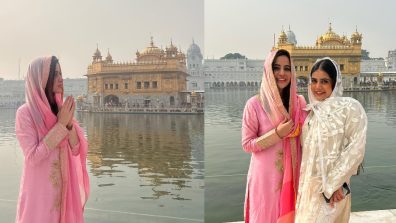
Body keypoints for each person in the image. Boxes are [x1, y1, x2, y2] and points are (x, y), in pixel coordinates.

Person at [15, 56, 89, 223]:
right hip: (39, 198)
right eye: (55, 74)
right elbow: (33, 157)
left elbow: (77, 149)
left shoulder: (60, 110)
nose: (61, 79)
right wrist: (61, 125)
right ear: (41, 78)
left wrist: (68, 125)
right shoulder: (26, 114)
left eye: (61, 74)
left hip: (65, 194)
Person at [295, 57, 367, 223]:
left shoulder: (349, 108)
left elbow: (355, 149)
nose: (317, 87)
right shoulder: (311, 114)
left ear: (334, 83)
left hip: (334, 192)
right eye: (314, 81)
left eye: (324, 81)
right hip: (310, 189)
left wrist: (334, 185)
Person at [241, 49, 307, 223]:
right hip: (265, 179)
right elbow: (247, 144)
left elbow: (309, 140)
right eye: (276, 68)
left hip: (293, 175)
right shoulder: (255, 104)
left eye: (287, 68)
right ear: (268, 71)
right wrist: (277, 134)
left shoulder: (299, 103)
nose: (282, 73)